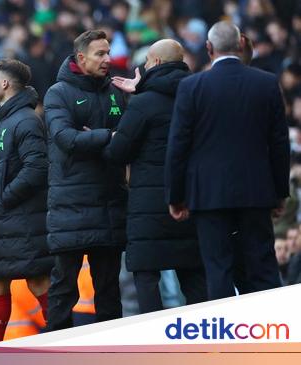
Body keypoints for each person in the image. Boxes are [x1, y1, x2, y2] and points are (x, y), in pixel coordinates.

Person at [165, 21, 290, 300]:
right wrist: (280, 192)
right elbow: (280, 144)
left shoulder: (191, 87)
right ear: (241, 45)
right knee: (263, 268)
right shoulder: (266, 83)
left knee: (218, 271)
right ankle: (273, 336)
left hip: (208, 194)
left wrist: (176, 195)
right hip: (256, 191)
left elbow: (178, 147)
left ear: (208, 48)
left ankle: (225, 339)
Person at [103, 39, 207, 313]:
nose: (144, 68)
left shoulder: (143, 103)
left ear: (157, 63)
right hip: (191, 202)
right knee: (196, 282)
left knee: (147, 281)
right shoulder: (199, 97)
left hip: (148, 209)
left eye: (147, 63)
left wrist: (102, 137)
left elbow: (118, 152)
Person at [43, 30, 127, 331]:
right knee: (64, 291)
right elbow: (66, 138)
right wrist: (108, 136)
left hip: (109, 204)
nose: (108, 59)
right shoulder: (58, 92)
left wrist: (92, 137)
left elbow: (129, 141)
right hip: (71, 208)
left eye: (108, 52)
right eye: (100, 54)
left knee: (109, 293)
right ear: (81, 58)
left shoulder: (116, 92)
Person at [0, 59, 53, 343]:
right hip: (5, 221)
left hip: (19, 219)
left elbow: (37, 167)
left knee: (38, 281)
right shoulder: (7, 120)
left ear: (5, 84)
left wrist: (5, 198)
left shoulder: (25, 120)